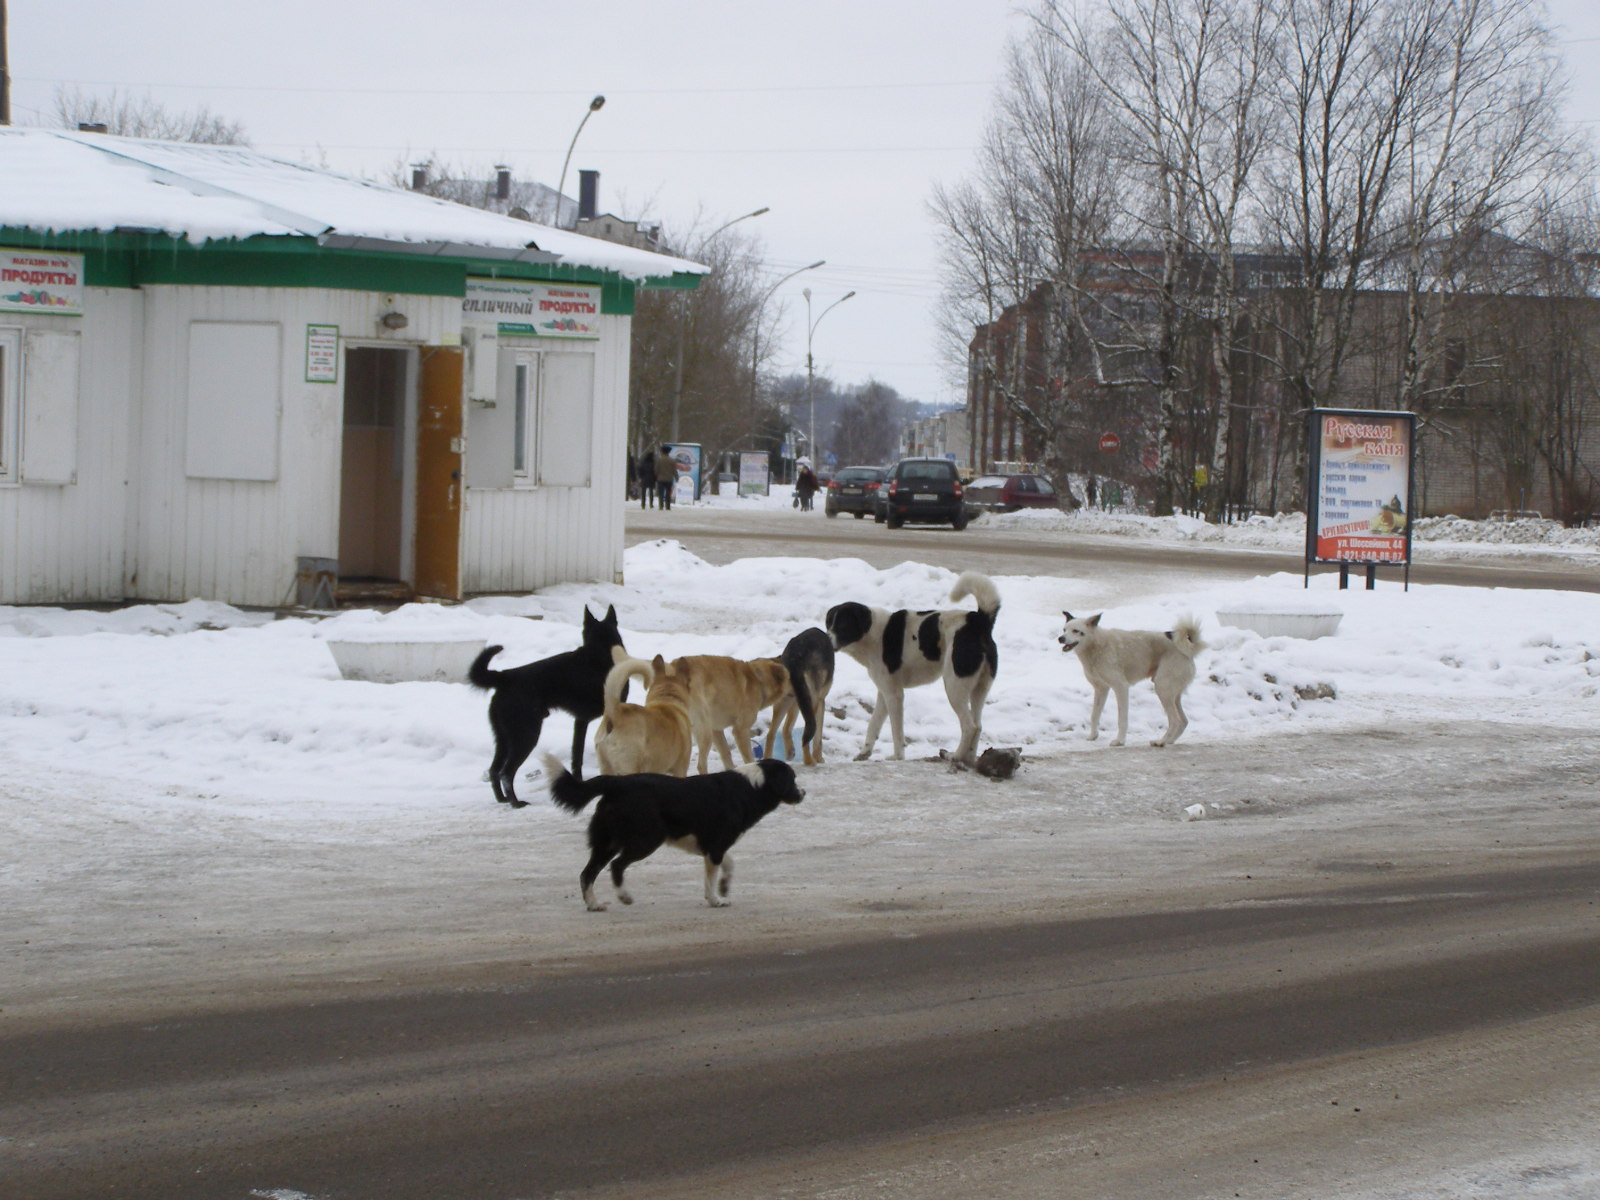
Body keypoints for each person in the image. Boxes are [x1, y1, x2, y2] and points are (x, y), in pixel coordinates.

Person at [654, 445, 678, 510]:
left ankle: (661, 506)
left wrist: (656, 477)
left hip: (660, 479)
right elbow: (674, 470)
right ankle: (668, 506)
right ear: (668, 452)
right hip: (669, 479)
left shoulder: (659, 460)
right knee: (668, 493)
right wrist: (676, 478)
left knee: (661, 493)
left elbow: (656, 469)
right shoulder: (672, 460)